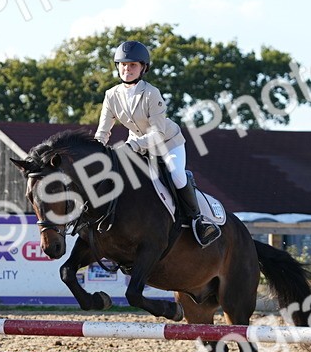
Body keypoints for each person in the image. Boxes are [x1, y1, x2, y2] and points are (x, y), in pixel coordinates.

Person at [94, 40, 220, 246]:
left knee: (176, 174)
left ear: (143, 68)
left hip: (168, 143)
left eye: (132, 65)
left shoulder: (151, 93)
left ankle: (198, 220)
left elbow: (158, 133)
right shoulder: (111, 95)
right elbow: (103, 131)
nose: (127, 69)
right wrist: (96, 151)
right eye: (123, 65)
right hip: (137, 145)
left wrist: (132, 146)